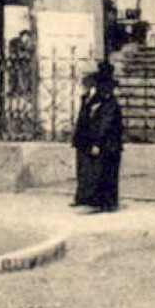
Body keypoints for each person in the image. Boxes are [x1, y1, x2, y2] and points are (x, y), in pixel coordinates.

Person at [85, 63, 125, 213]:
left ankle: (106, 203)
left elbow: (104, 125)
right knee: (107, 172)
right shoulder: (106, 103)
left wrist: (96, 143)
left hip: (108, 144)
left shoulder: (108, 105)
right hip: (111, 144)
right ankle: (107, 202)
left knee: (106, 172)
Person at [70, 72, 99, 207]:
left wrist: (96, 142)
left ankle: (89, 197)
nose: (83, 88)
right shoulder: (85, 99)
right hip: (81, 139)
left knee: (89, 170)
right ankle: (80, 197)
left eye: (85, 85)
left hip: (90, 139)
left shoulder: (97, 100)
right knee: (81, 169)